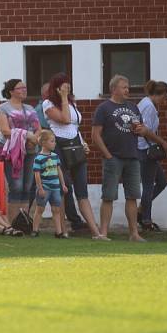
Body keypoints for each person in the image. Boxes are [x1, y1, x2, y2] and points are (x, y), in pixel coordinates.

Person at [42, 73, 103, 239]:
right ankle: (62, 230)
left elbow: (75, 126)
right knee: (62, 189)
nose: (67, 88)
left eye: (68, 85)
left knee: (82, 191)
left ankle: (96, 232)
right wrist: (62, 98)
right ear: (57, 87)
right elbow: (65, 119)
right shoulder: (48, 103)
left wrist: (83, 143)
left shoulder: (72, 103)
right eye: (64, 86)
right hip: (60, 148)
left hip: (75, 146)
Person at [92, 74, 152, 241]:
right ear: (113, 89)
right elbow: (95, 135)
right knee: (109, 195)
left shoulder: (133, 107)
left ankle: (134, 233)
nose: (128, 90)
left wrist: (141, 130)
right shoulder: (104, 108)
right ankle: (103, 233)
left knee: (132, 196)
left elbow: (141, 129)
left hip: (132, 156)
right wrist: (108, 155)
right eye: (124, 87)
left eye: (128, 87)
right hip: (113, 157)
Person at [0, 79, 40, 222]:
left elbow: (38, 129)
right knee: (16, 186)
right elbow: (5, 131)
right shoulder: (3, 108)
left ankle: (23, 222)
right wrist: (28, 136)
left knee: (27, 186)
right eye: (20, 88)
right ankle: (13, 222)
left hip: (31, 151)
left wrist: (34, 140)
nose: (24, 90)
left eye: (25, 87)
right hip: (12, 151)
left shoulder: (30, 108)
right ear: (11, 91)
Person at [137, 80, 167, 232]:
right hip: (145, 150)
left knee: (161, 182)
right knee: (148, 185)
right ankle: (146, 219)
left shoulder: (145, 103)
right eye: (164, 98)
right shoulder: (149, 106)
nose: (165, 102)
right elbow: (144, 131)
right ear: (159, 95)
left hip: (145, 149)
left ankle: (141, 211)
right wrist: (163, 142)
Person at [31, 130, 69, 238]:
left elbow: (59, 171)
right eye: (52, 141)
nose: (54, 143)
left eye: (54, 141)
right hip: (45, 187)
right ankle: (35, 230)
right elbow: (37, 175)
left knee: (56, 209)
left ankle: (58, 232)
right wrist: (40, 188)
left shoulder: (55, 156)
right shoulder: (38, 158)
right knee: (40, 209)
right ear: (43, 143)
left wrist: (63, 184)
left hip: (56, 188)